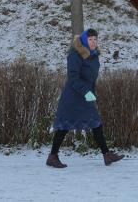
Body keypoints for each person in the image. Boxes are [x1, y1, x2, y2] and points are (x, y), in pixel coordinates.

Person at [46, 28, 124, 168]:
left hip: (86, 95)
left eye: (95, 39)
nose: (93, 42)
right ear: (84, 40)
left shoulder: (93, 55)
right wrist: (86, 92)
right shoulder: (75, 54)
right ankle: (52, 156)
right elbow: (73, 77)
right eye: (90, 39)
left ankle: (107, 155)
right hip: (73, 96)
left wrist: (90, 92)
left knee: (95, 123)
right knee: (64, 125)